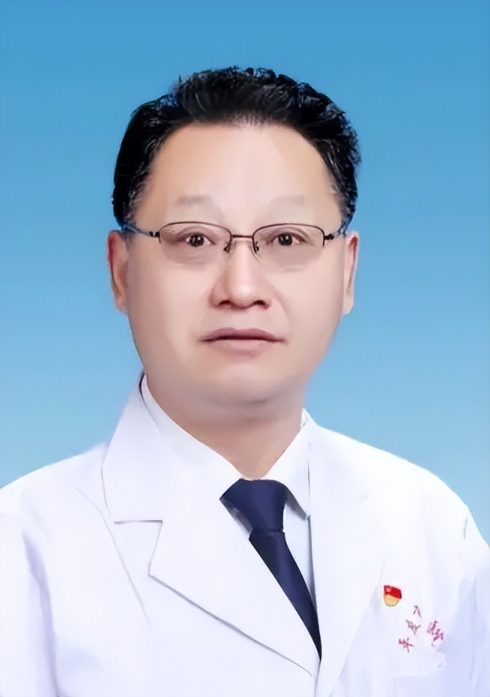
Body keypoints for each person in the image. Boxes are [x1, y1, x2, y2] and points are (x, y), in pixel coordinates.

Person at [0, 67, 488, 697]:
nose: (241, 288)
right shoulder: (24, 552)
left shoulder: (430, 525)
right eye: (193, 239)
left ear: (347, 273)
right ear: (121, 272)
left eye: (286, 238)